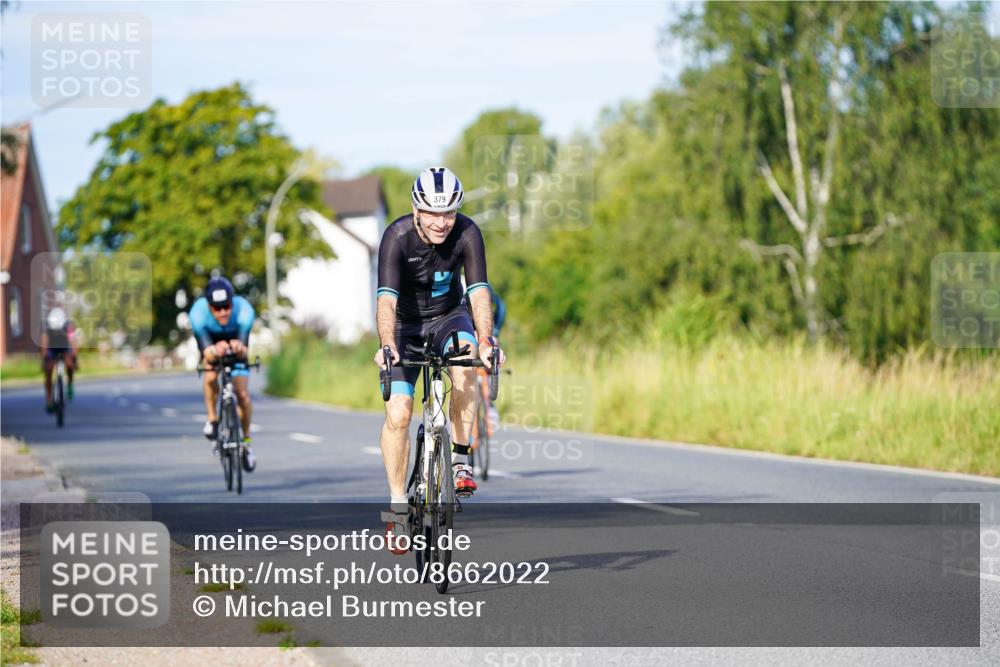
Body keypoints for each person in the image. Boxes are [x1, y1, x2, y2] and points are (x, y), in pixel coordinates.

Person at [374, 167, 506, 541]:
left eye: (448, 212)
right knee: (399, 414)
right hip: (404, 326)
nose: (441, 222)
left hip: (449, 317)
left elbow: (479, 291)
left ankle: (461, 460)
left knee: (467, 364)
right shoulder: (396, 237)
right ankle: (399, 505)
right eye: (432, 213)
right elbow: (385, 301)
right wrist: (387, 345)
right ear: (416, 210)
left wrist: (486, 341)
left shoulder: (468, 232)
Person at [188, 276, 257, 472]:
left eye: (227, 306)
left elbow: (244, 350)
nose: (223, 312)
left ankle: (246, 442)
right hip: (211, 342)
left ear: (232, 303)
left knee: (242, 395)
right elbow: (206, 351)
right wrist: (214, 350)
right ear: (209, 306)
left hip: (236, 342)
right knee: (210, 375)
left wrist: (238, 347)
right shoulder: (198, 314)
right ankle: (213, 419)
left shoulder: (244, 311)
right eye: (217, 308)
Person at [40, 307, 77, 412]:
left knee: (69, 364)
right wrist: (45, 357)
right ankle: (49, 400)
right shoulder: (46, 326)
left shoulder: (68, 326)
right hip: (52, 347)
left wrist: (74, 356)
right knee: (48, 370)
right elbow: (44, 343)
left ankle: (69, 384)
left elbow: (73, 341)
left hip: (64, 346)